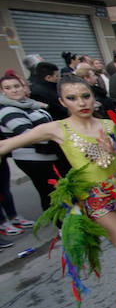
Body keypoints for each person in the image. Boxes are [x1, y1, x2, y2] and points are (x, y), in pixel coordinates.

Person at [0, 75, 116, 308]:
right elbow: (8, 144)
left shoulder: (109, 125)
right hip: (96, 200)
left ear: (93, 96)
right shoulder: (57, 128)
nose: (81, 102)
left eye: (85, 96)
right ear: (62, 101)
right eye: (72, 98)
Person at [0, 74, 58, 212]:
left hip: (48, 154)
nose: (14, 90)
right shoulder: (7, 110)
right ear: (3, 91)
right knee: (49, 192)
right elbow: (28, 135)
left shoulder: (30, 105)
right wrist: (56, 134)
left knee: (56, 190)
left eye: (16, 86)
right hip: (32, 158)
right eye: (8, 88)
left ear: (23, 87)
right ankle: (60, 226)